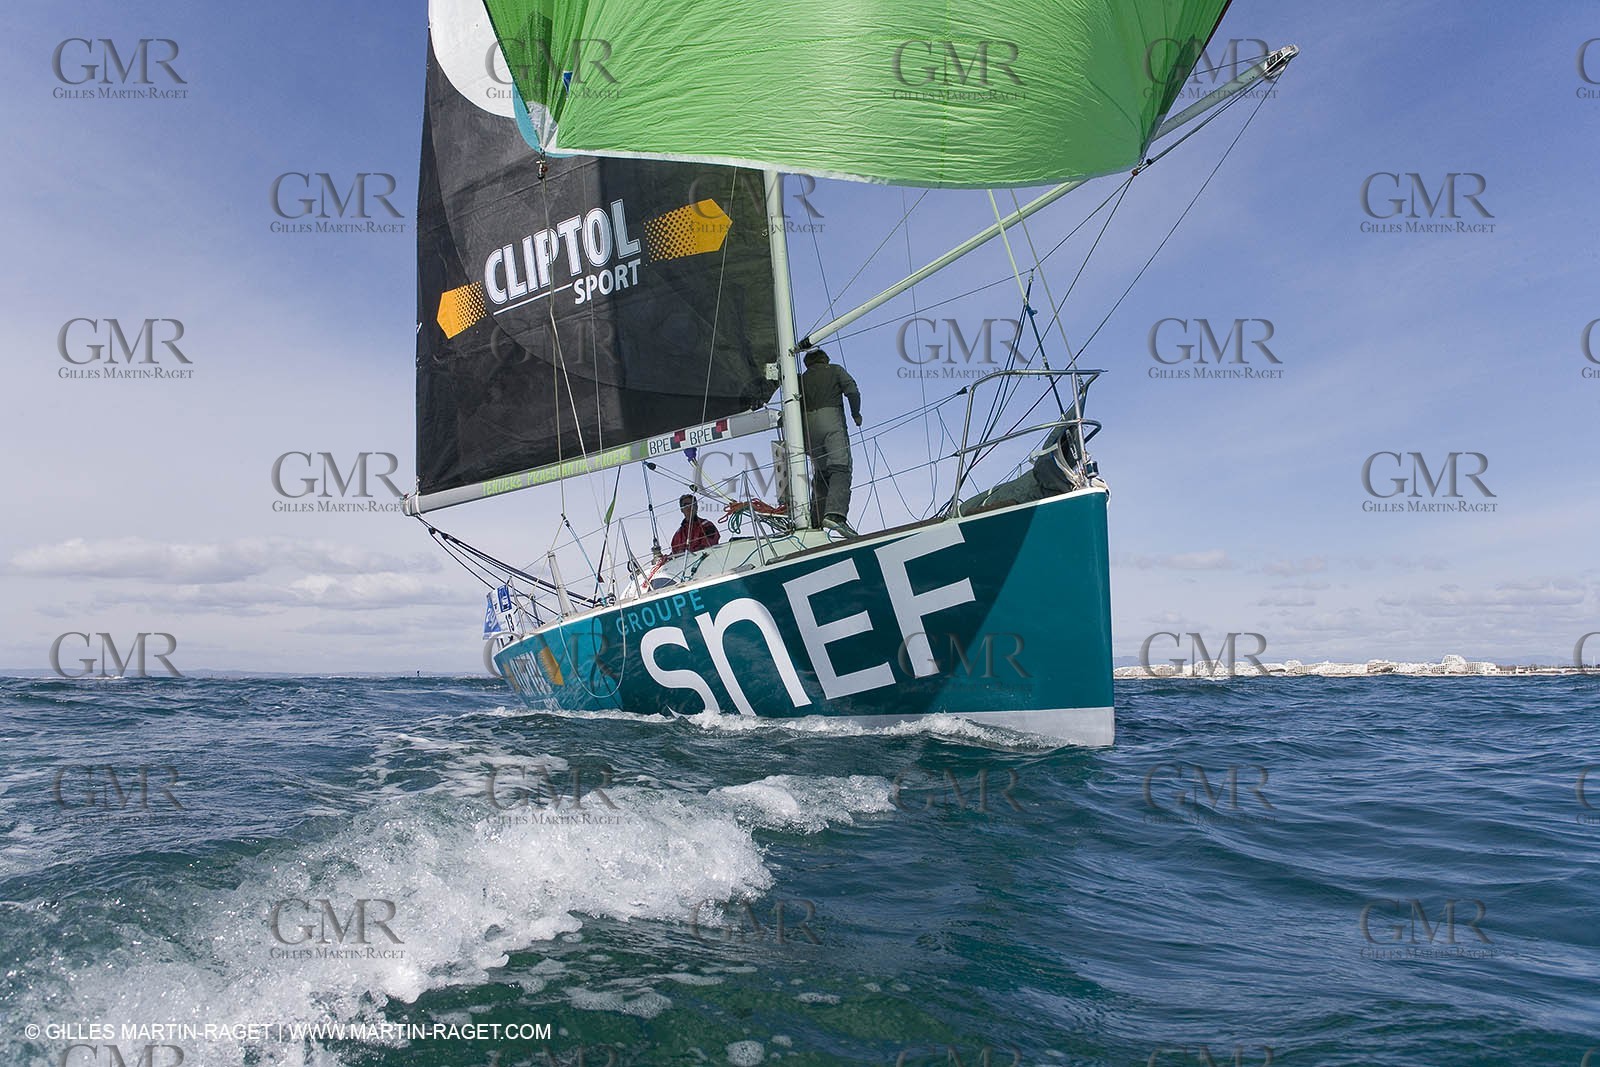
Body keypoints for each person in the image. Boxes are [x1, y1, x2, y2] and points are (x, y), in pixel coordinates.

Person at [798, 348, 861, 536]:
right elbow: (852, 391)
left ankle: (815, 522)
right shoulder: (834, 370)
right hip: (831, 420)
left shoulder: (800, 379)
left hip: (807, 428)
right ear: (825, 359)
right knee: (841, 467)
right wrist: (855, 413)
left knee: (821, 474)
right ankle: (835, 515)